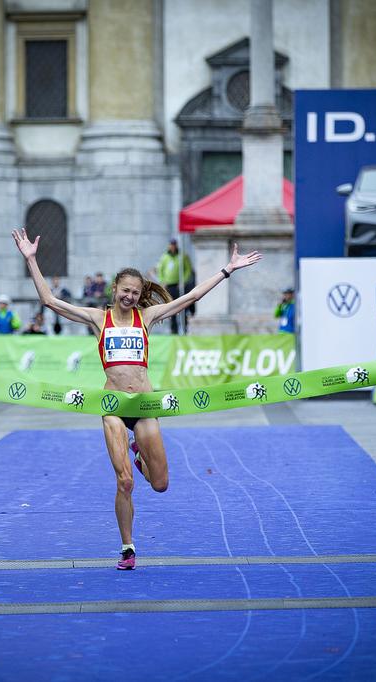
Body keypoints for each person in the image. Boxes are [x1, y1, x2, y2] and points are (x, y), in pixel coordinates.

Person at [13, 228, 262, 569]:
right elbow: (50, 301)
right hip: (113, 406)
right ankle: (127, 547)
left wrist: (227, 270)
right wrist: (31, 259)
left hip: (145, 406)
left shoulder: (147, 317)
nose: (130, 296)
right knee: (124, 480)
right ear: (114, 290)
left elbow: (187, 299)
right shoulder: (99, 319)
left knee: (159, 484)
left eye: (135, 292)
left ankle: (141, 458)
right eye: (125, 290)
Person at [154, 239, 194, 334]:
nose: (172, 246)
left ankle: (184, 328)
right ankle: (174, 330)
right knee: (171, 307)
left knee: (182, 306)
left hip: (179, 285)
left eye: (174, 245)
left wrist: (183, 280)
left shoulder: (182, 256)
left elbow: (188, 269)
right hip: (169, 286)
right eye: (171, 245)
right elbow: (160, 270)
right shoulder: (165, 257)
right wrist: (162, 281)